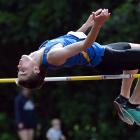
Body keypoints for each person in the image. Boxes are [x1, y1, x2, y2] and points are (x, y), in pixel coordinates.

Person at [16, 8, 140, 125]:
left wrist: (88, 24)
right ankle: (133, 104)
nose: (19, 66)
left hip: (104, 49)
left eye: (19, 70)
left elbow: (70, 39)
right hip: (106, 59)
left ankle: (123, 99)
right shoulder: (53, 57)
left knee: (134, 59)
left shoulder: (40, 51)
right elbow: (84, 45)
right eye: (23, 71)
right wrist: (98, 25)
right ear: (36, 69)